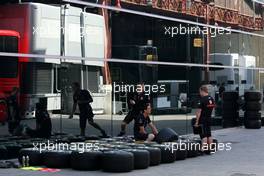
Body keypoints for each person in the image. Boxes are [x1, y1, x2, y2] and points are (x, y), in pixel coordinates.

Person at [194, 85, 215, 154]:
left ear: (202, 91)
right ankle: (209, 149)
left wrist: (197, 122)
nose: (200, 94)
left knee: (203, 135)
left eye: (200, 92)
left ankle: (202, 150)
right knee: (209, 134)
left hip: (202, 119)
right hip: (209, 118)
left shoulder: (202, 100)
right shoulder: (211, 99)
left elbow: (199, 111)